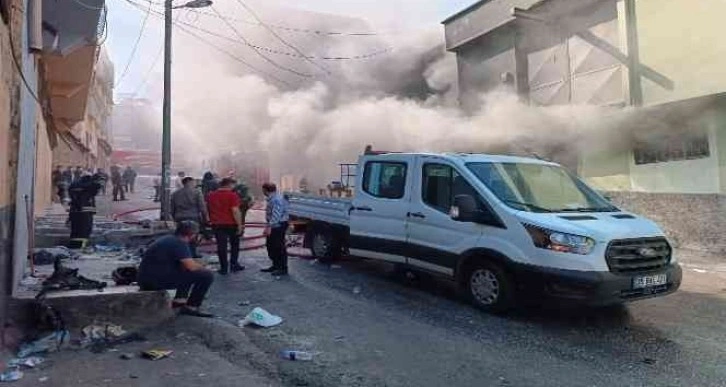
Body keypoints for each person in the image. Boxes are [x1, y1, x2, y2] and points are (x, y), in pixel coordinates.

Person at [138, 221, 214, 318]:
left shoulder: (170, 239)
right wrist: (205, 267)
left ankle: (179, 301)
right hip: (155, 281)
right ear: (192, 234)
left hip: (146, 279)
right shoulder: (179, 243)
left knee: (185, 271)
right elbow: (191, 266)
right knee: (206, 275)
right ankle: (192, 306)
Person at [206, 178, 244, 275]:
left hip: (217, 224)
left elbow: (208, 209)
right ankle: (234, 264)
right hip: (231, 223)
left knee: (221, 246)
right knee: (234, 244)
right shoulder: (232, 195)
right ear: (229, 185)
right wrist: (240, 225)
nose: (234, 187)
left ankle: (224, 268)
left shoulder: (210, 195)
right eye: (233, 185)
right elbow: (235, 211)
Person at [171, 177, 208, 258]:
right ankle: (192, 253)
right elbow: (202, 207)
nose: (195, 184)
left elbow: (172, 208)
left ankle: (181, 253)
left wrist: (174, 218)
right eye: (194, 182)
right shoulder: (197, 192)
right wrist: (206, 218)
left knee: (181, 235)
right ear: (190, 182)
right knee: (193, 236)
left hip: (179, 217)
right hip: (193, 217)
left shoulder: (175, 193)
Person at [262, 182, 290, 276]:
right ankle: (275, 265)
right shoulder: (273, 198)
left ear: (265, 190)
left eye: (263, 190)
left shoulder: (276, 199)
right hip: (275, 224)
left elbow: (276, 215)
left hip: (278, 225)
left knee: (278, 246)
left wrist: (269, 226)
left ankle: (282, 268)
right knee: (271, 245)